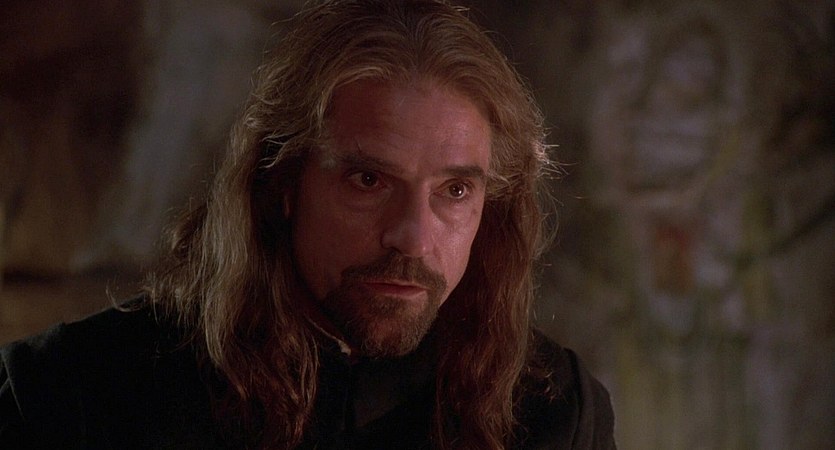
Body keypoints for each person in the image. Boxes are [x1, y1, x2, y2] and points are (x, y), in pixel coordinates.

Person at [0, 0, 615, 448]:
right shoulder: (68, 395)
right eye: (368, 180)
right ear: (284, 184)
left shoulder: (556, 412)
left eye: (454, 191)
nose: (413, 236)